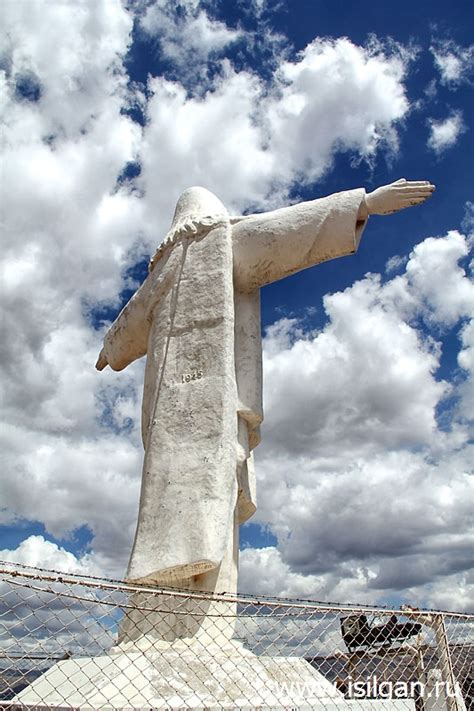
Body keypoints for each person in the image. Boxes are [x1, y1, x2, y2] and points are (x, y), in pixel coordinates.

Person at [96, 179, 434, 599]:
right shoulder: (222, 240)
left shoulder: (163, 274)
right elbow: (290, 231)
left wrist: (109, 350)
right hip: (211, 409)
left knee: (192, 494)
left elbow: (127, 326)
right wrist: (362, 204)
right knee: (211, 497)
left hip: (171, 416)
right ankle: (193, 606)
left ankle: (176, 599)